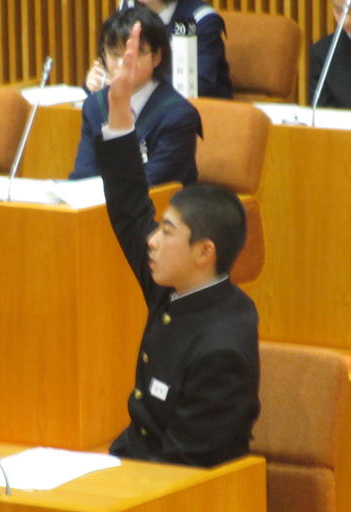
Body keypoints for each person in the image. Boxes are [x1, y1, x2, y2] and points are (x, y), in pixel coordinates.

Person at [96, 21, 260, 467]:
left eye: (167, 232)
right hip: (135, 464)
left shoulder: (221, 346)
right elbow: (131, 209)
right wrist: (119, 109)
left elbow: (188, 465)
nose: (152, 241)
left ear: (204, 252)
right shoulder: (178, 286)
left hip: (182, 489)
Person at [71, 5, 201, 186]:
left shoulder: (178, 116)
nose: (122, 64)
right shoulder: (95, 106)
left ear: (157, 57)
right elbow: (83, 175)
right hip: (101, 201)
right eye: (114, 55)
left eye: (132, 55)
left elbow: (156, 183)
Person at [85, 0, 232, 99]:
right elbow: (114, 58)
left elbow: (199, 84)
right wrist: (98, 80)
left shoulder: (201, 18)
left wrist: (133, 85)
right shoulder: (128, 6)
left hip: (197, 113)